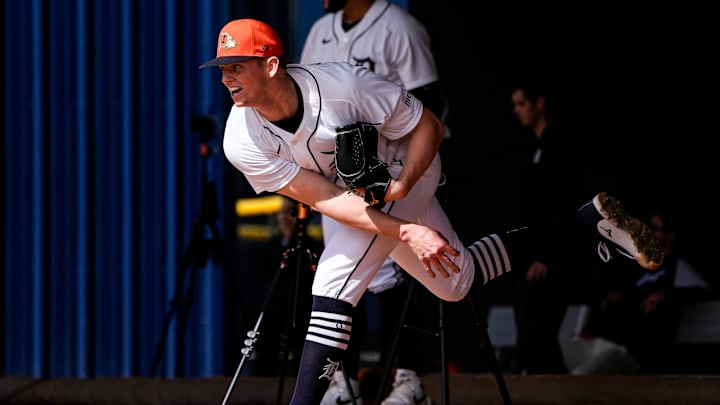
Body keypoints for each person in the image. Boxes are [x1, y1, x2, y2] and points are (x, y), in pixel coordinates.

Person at [198, 18, 662, 405]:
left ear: (272, 64)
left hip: (406, 167)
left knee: (333, 284)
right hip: (359, 198)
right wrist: (405, 231)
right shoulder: (241, 139)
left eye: (237, 66)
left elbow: (428, 126)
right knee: (455, 282)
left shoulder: (343, 84)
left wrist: (402, 186)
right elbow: (325, 200)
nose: (226, 78)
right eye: (222, 69)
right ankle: (583, 223)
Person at [299, 1, 443, 403]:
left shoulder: (397, 26)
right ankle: (344, 383)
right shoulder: (319, 31)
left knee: (402, 274)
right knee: (345, 281)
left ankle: (408, 380)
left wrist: (406, 176)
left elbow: (429, 105)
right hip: (337, 180)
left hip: (390, 173)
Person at [502, 75, 587, 374]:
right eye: (514, 104)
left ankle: (551, 391)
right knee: (529, 333)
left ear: (540, 103)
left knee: (540, 334)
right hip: (531, 257)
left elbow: (563, 205)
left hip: (552, 260)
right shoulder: (535, 147)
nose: (517, 110)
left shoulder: (559, 146)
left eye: (522, 103)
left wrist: (546, 256)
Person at [565, 208, 712, 374]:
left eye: (656, 228)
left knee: (579, 376)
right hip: (605, 341)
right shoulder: (640, 265)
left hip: (632, 352)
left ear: (671, 235)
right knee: (553, 365)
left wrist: (667, 294)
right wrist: (621, 295)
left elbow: (701, 290)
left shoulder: (677, 267)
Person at [248, 196, 324, 377]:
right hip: (276, 308)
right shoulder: (273, 246)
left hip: (302, 308)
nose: (283, 218)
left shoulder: (310, 247)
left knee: (302, 350)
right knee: (268, 348)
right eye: (280, 213)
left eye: (289, 213)